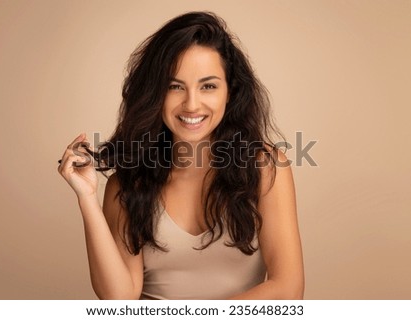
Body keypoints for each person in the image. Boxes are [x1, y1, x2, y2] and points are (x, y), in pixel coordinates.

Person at [58, 11, 304, 300]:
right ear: (155, 94)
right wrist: (87, 198)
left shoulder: (266, 168)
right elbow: (119, 299)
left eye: (208, 86)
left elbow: (287, 290)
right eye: (175, 86)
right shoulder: (128, 184)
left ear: (230, 92)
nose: (192, 104)